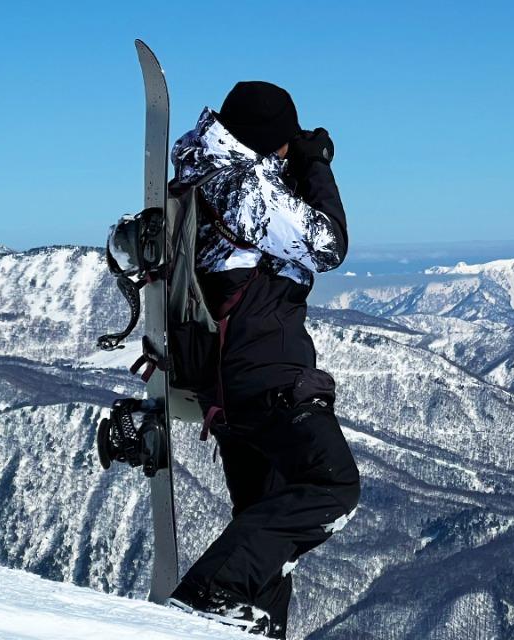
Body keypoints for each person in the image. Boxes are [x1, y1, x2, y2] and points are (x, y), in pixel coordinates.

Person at [165, 81, 360, 639]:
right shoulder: (241, 185)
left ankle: (252, 624)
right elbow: (327, 244)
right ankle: (210, 592)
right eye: (283, 143)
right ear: (268, 141)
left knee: (267, 524)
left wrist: (292, 166)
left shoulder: (206, 174)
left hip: (229, 381)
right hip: (265, 376)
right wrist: (318, 166)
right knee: (332, 486)